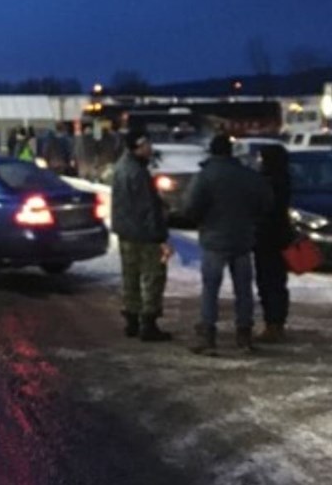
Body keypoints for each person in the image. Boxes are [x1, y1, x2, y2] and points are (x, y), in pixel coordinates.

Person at [186, 133, 272, 355]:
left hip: (214, 239)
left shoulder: (205, 176)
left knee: (210, 289)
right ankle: (244, 335)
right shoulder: (248, 176)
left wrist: (202, 221)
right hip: (242, 238)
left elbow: (191, 207)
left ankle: (208, 336)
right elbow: (265, 203)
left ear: (212, 151)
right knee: (243, 290)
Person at [111, 130, 174, 341]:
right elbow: (148, 208)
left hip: (126, 232)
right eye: (147, 144)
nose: (150, 148)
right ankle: (149, 323)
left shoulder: (122, 167)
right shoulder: (138, 172)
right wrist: (160, 237)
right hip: (144, 234)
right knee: (153, 277)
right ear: (138, 146)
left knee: (130, 276)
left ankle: (132, 320)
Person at [255, 144, 294, 342]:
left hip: (266, 238)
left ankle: (272, 324)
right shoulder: (283, 179)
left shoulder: (267, 182)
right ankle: (277, 323)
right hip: (279, 237)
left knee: (267, 281)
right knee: (278, 282)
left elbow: (264, 209)